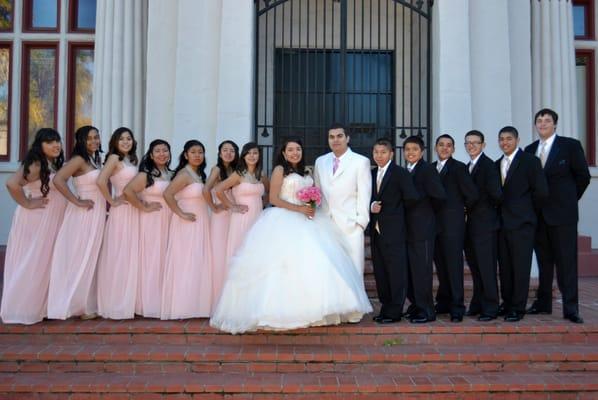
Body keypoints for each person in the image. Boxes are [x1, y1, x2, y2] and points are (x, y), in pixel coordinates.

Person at [210, 138, 372, 334]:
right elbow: (273, 198)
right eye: (290, 150)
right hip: (284, 219)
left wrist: (311, 206)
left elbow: (311, 195)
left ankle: (317, 309)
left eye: (298, 149)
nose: (295, 153)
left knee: (317, 262)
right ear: (284, 153)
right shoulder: (279, 170)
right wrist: (298, 208)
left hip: (308, 220)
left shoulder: (306, 171)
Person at [525, 108, 591, 324]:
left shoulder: (570, 146)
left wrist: (569, 200)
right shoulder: (529, 149)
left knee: (566, 263)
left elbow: (583, 177)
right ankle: (543, 302)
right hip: (538, 216)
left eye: (547, 120)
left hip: (563, 216)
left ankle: (571, 308)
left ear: (555, 124)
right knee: (544, 261)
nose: (542, 124)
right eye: (539, 120)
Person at [1, 128, 67, 324]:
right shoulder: (35, 163)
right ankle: (24, 308)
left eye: (57, 141)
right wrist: (28, 203)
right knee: (34, 260)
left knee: (46, 261)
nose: (56, 145)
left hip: (51, 218)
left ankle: (42, 305)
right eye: (50, 142)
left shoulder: (50, 163)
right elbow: (12, 183)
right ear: (40, 145)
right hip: (38, 219)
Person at [47, 126, 105, 320]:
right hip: (84, 212)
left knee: (92, 254)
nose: (94, 141)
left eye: (96, 137)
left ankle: (87, 302)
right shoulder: (79, 159)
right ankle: (74, 303)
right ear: (80, 141)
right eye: (89, 139)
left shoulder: (94, 159)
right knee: (82, 254)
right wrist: (77, 201)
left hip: (97, 210)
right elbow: (58, 180)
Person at [495, 126, 548, 322]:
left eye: (509, 138)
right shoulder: (497, 163)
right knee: (506, 267)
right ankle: (507, 303)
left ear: (517, 140)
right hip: (502, 225)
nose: (505, 142)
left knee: (520, 267)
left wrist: (527, 213)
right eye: (501, 139)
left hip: (523, 224)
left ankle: (518, 307)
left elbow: (541, 192)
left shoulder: (530, 161)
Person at [161, 140, 213, 319]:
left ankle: (196, 304)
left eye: (201, 152)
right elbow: (167, 194)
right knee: (185, 261)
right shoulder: (184, 173)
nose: (197, 155)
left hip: (201, 220)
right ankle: (182, 306)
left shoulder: (200, 174)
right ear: (185, 155)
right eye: (193, 152)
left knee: (197, 260)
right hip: (187, 223)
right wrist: (181, 214)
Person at [369, 138, 419, 324]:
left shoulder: (400, 173)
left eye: (383, 152)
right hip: (376, 231)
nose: (379, 156)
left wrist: (393, 212)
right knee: (381, 272)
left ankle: (395, 311)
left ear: (391, 154)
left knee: (396, 272)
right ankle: (385, 308)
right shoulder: (371, 173)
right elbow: (370, 198)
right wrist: (372, 205)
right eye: (376, 152)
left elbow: (412, 198)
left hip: (395, 231)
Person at [314, 124, 372, 279]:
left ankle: (355, 303)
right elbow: (318, 193)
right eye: (331, 137)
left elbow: (364, 194)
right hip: (325, 224)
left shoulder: (361, 162)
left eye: (339, 136)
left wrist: (360, 223)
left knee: (352, 269)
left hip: (350, 225)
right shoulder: (320, 161)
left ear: (347, 138)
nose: (335, 140)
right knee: (328, 269)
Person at [123, 139, 173, 318]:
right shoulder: (146, 175)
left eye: (165, 150)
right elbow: (128, 191)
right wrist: (143, 206)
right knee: (151, 258)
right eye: (158, 151)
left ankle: (163, 300)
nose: (162, 154)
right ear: (151, 155)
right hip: (152, 219)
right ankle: (148, 304)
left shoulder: (171, 174)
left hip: (168, 218)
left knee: (165, 258)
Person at [432, 134, 478, 323]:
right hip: (434, 227)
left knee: (454, 266)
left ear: (453, 149)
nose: (444, 148)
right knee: (441, 266)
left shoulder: (459, 168)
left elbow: (472, 195)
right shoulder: (430, 169)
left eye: (448, 145)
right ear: (436, 148)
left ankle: (457, 307)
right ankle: (443, 302)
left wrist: (460, 211)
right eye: (441, 145)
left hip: (453, 226)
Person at [96, 127, 140, 320]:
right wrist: (112, 201)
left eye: (128, 138)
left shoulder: (131, 160)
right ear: (115, 141)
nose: (125, 142)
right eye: (121, 139)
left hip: (135, 209)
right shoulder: (114, 158)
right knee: (120, 254)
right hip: (122, 211)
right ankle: (116, 302)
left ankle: (131, 299)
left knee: (132, 254)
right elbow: (100, 181)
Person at [403, 136, 446, 323]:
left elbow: (439, 196)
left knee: (422, 271)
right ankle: (415, 305)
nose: (410, 152)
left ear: (422, 152)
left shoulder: (428, 170)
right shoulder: (406, 170)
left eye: (414, 149)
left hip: (423, 229)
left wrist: (425, 212)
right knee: (411, 270)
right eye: (407, 149)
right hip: (408, 229)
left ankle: (427, 311)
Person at [463, 130, 502, 321]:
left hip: (485, 226)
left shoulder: (489, 166)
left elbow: (496, 194)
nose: (471, 146)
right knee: (476, 268)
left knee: (486, 268)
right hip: (470, 227)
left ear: (483, 145)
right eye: (468, 143)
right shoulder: (467, 167)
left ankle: (491, 307)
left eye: (475, 143)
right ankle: (477, 303)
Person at [214, 142, 268, 267]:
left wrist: (262, 204)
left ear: (259, 156)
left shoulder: (261, 174)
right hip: (241, 217)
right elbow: (219, 190)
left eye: (255, 153)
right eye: (248, 153)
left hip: (258, 217)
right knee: (240, 250)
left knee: (255, 251)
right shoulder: (238, 174)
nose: (252, 156)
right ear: (243, 156)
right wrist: (232, 206)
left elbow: (269, 192)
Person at [203, 140, 239, 306]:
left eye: (232, 150)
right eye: (225, 150)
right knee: (219, 254)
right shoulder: (217, 169)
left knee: (230, 252)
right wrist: (213, 207)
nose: (228, 153)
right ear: (219, 153)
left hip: (233, 214)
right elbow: (206, 189)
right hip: (221, 215)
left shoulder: (236, 170)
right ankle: (217, 298)